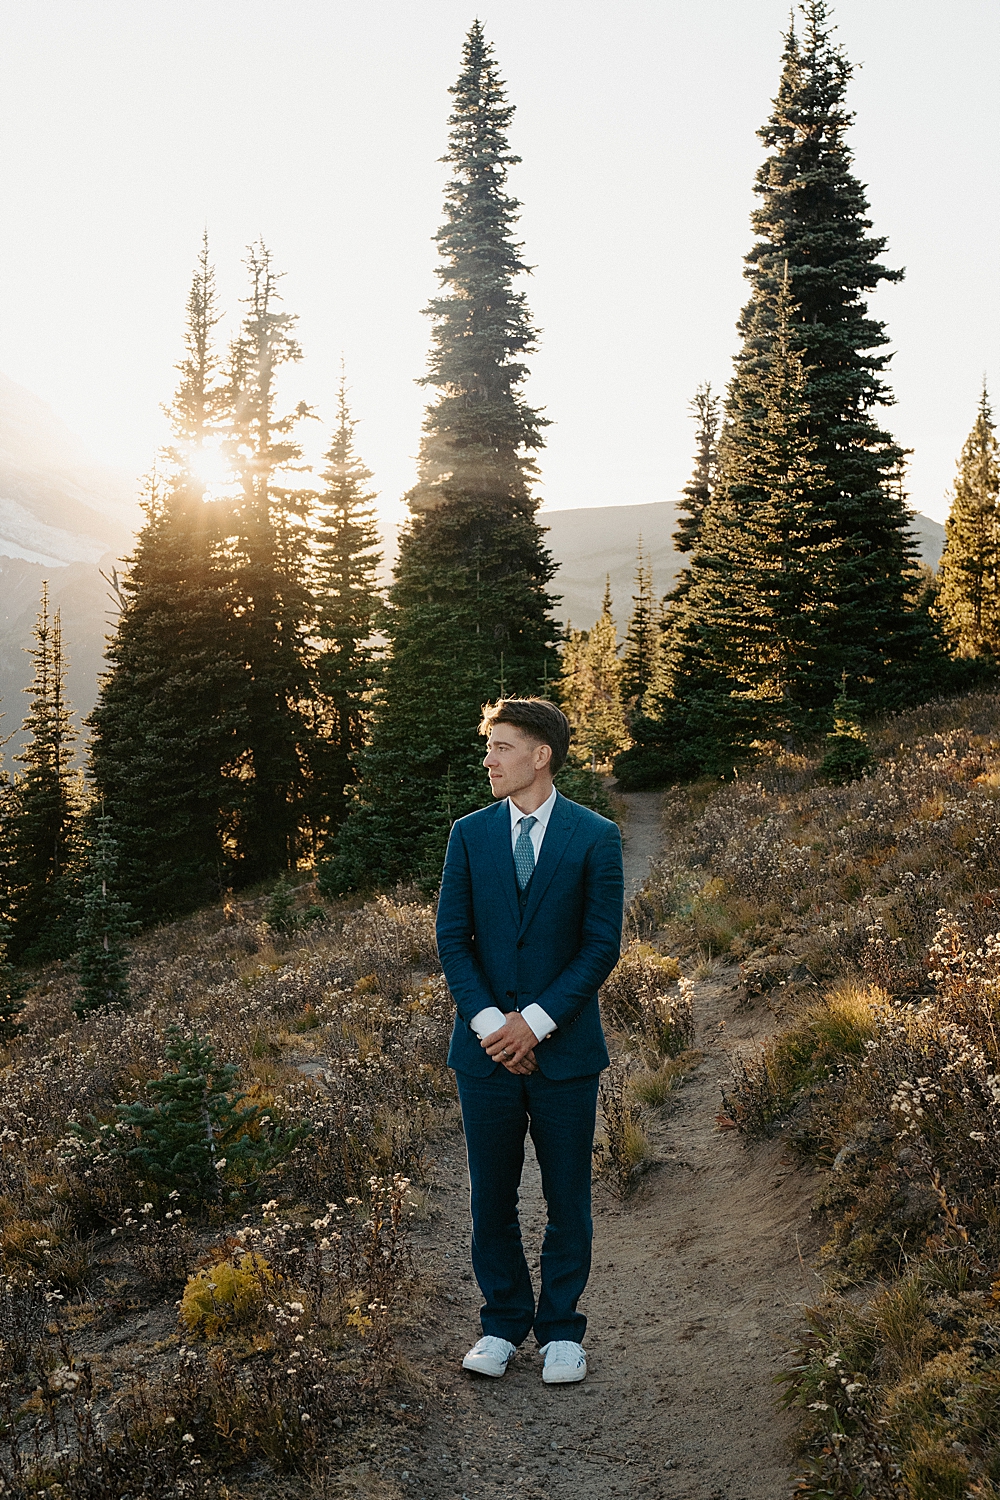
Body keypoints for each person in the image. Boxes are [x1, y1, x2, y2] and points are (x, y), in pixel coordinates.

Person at [436, 697, 624, 1385]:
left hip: (565, 1052)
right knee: (492, 1194)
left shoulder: (595, 836)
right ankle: (502, 1322)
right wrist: (493, 1027)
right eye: (490, 747)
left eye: (502, 746)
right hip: (483, 1054)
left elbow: (601, 945)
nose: (489, 759)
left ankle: (563, 1330)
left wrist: (536, 1023)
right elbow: (453, 940)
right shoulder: (469, 835)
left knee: (567, 1193)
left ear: (540, 755)